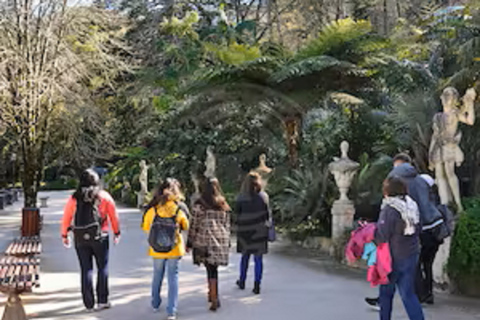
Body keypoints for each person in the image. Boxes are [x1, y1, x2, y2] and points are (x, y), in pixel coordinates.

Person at [365, 154, 443, 309]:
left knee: (399, 272)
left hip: (407, 238)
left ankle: (411, 298)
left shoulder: (399, 187)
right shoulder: (421, 180)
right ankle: (425, 296)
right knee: (423, 265)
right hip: (433, 225)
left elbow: (385, 230)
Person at [61, 169, 121, 312]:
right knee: (102, 268)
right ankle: (102, 300)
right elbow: (114, 216)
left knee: (86, 269)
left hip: (80, 237)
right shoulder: (104, 196)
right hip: (101, 236)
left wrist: (64, 235)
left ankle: (88, 304)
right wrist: (117, 232)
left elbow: (66, 217)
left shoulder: (74, 198)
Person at [376, 176, 424, 320]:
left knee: (386, 293)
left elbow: (382, 235)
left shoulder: (390, 209)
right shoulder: (412, 205)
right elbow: (419, 227)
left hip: (393, 257)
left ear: (387, 191)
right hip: (411, 254)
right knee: (408, 294)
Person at [141, 178, 189, 320]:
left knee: (157, 275)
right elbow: (186, 225)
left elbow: (145, 227)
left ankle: (155, 303)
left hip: (157, 249)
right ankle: (171, 311)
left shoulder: (153, 209)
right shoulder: (178, 208)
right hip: (174, 248)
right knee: (173, 277)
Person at [187, 177, 231, 311]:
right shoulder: (223, 204)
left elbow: (193, 225)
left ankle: (213, 295)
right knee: (214, 268)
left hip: (205, 240)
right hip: (220, 239)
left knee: (209, 267)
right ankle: (213, 294)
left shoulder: (199, 205)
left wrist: (189, 241)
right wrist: (227, 241)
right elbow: (227, 224)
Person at [235, 172, 271, 294]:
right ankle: (257, 284)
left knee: (244, 257)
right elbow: (267, 215)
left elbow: (237, 215)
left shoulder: (241, 197)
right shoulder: (263, 197)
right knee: (258, 259)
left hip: (245, 230)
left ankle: (242, 280)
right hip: (260, 230)